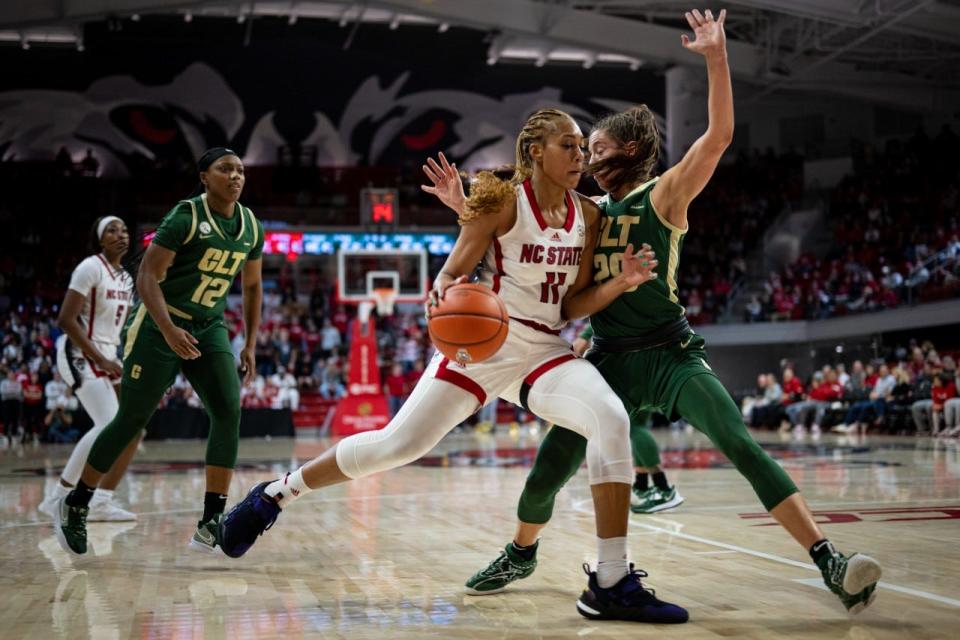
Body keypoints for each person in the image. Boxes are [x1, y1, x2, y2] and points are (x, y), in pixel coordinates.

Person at [461, 8, 881, 616]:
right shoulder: (589, 211)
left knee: (740, 443)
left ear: (629, 149)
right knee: (547, 471)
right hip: (607, 358)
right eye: (578, 151)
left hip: (670, 352)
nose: (585, 158)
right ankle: (522, 550)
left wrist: (715, 56)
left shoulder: (664, 193)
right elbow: (526, 198)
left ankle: (829, 560)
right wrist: (465, 203)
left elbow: (718, 139)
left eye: (595, 148)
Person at [220, 109, 686, 624]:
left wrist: (619, 282)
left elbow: (572, 305)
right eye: (569, 146)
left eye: (582, 147)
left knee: (611, 417)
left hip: (545, 350)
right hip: (485, 348)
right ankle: (276, 494)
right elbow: (452, 272)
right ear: (536, 152)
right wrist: (443, 292)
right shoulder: (501, 200)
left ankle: (612, 579)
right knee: (399, 445)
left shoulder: (589, 216)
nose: (581, 156)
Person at [53, 147, 264, 556]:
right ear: (205, 177)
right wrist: (168, 329)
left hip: (210, 327)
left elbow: (252, 286)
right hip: (158, 324)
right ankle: (76, 503)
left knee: (228, 411)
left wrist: (251, 342)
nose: (236, 176)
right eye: (225, 169)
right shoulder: (186, 216)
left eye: (240, 170)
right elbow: (148, 274)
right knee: (130, 419)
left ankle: (210, 521)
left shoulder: (251, 225)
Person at [38, 216, 140, 522]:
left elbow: (120, 331)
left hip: (109, 354)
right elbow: (66, 320)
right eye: (112, 230)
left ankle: (101, 502)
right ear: (100, 240)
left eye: (124, 229)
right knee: (108, 423)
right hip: (80, 351)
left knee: (133, 427)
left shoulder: (126, 278)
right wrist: (99, 357)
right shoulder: (89, 267)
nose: (120, 234)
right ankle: (57, 498)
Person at [575, 324, 683, 514]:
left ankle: (665, 489)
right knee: (636, 426)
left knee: (633, 428)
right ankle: (642, 486)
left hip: (630, 368)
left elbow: (578, 346)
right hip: (648, 365)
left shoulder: (605, 311)